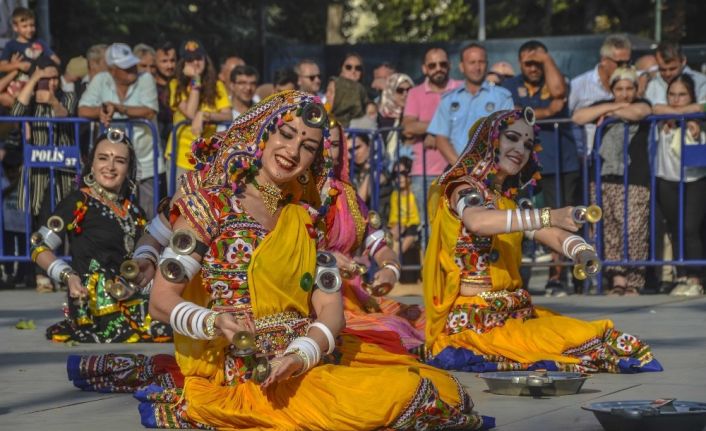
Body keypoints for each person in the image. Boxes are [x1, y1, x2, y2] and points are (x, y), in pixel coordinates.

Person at [68, 91, 492, 430]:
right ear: (262, 136)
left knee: (439, 389)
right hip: (241, 370)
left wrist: (301, 354)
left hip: (299, 363)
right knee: (401, 401)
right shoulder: (214, 204)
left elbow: (330, 311)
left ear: (314, 161)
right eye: (286, 135)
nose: (292, 150)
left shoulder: (306, 218)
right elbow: (162, 300)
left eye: (307, 146)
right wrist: (215, 322)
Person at [423, 107, 662, 374]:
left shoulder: (508, 201)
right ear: (489, 140)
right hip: (477, 323)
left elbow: (553, 235)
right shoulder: (463, 188)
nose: (520, 149)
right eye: (511, 138)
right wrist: (549, 215)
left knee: (590, 337)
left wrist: (581, 250)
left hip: (516, 314)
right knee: (592, 339)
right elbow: (478, 221)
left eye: (527, 144)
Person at [31, 129, 171, 343]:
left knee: (172, 325)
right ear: (92, 164)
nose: (110, 167)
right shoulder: (79, 202)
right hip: (93, 301)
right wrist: (69, 276)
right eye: (103, 158)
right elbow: (39, 247)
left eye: (120, 161)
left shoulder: (134, 212)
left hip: (132, 295)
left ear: (129, 168)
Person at [314, 120, 425, 350]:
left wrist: (390, 269)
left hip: (353, 296)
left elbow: (379, 244)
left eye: (334, 144)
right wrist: (325, 259)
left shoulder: (347, 196)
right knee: (391, 331)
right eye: (319, 143)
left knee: (423, 319)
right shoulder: (289, 197)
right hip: (312, 299)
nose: (326, 151)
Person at [502, 40, 578, 296]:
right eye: (529, 62)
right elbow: (513, 113)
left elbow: (558, 94)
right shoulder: (510, 85)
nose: (534, 67)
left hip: (560, 162)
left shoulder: (554, 76)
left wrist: (546, 60)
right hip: (522, 164)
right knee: (520, 220)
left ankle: (557, 277)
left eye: (538, 62)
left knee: (560, 219)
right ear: (520, 63)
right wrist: (546, 111)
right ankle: (517, 277)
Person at [572, 67, 652, 295]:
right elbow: (578, 117)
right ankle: (617, 280)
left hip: (633, 177)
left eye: (629, 89)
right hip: (603, 176)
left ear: (636, 89)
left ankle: (634, 281)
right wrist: (614, 107)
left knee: (634, 229)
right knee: (608, 230)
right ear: (612, 89)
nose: (625, 93)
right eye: (619, 89)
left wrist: (611, 114)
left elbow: (638, 113)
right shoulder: (604, 105)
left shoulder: (643, 103)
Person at [78, 42, 165, 218]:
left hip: (145, 165)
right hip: (111, 167)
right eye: (126, 67)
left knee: (147, 220)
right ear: (112, 70)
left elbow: (150, 111)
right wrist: (101, 111)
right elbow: (82, 110)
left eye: (133, 63)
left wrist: (118, 108)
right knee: (107, 218)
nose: (132, 69)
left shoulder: (146, 78)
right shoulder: (101, 79)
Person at [403, 47, 462, 246]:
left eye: (443, 64)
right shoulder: (415, 93)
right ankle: (430, 276)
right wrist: (440, 128)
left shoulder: (461, 88)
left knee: (461, 226)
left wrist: (433, 131)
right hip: (425, 172)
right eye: (432, 65)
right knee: (428, 229)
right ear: (424, 68)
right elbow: (409, 126)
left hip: (460, 169)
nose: (438, 68)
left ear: (450, 66)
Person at [654, 74, 706, 296]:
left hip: (695, 179)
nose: (676, 99)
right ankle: (681, 275)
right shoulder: (662, 115)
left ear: (692, 96)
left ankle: (696, 278)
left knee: (690, 229)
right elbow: (655, 109)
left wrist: (693, 117)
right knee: (675, 229)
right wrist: (679, 114)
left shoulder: (699, 117)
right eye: (672, 95)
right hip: (667, 178)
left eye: (682, 95)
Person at [428, 43, 514, 165]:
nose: (477, 67)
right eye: (472, 62)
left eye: (481, 62)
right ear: (462, 67)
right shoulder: (448, 100)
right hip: (458, 171)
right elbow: (441, 139)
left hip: (491, 172)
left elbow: (507, 135)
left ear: (487, 65)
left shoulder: (502, 97)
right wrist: (462, 167)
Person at [166, 39, 231, 189]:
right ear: (183, 63)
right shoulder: (175, 84)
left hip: (207, 157)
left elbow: (227, 115)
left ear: (205, 60)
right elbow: (190, 113)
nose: (195, 62)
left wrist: (205, 115)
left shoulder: (217, 85)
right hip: (180, 156)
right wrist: (196, 80)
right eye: (189, 60)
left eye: (198, 58)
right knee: (179, 205)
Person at [0, 7, 61, 97]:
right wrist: (18, 65)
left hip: (38, 85)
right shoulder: (11, 45)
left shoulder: (40, 42)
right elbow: (2, 67)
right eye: (25, 26)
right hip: (16, 86)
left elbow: (56, 61)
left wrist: (44, 63)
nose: (29, 29)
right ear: (15, 28)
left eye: (32, 25)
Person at [645, 41, 706, 106]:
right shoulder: (652, 82)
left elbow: (704, 107)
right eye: (662, 69)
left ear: (683, 61)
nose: (667, 74)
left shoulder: (701, 82)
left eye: (672, 69)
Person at [377, 72, 414, 162]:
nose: (405, 94)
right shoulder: (380, 116)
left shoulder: (414, 116)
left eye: (409, 90)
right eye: (400, 90)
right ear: (390, 91)